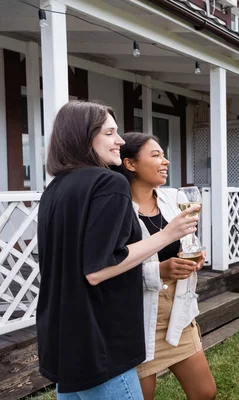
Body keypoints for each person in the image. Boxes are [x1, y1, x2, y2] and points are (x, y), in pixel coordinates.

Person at [36, 101, 200, 399]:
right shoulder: (108, 182)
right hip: (100, 341)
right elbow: (98, 269)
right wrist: (167, 234)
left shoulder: (56, 188)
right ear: (85, 137)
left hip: (63, 341)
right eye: (110, 133)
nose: (120, 141)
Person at [114, 132, 216, 400]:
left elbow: (188, 239)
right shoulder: (117, 209)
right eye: (156, 155)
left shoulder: (172, 198)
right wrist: (158, 271)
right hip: (139, 317)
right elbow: (111, 267)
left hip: (178, 309)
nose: (166, 161)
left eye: (164, 154)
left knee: (205, 392)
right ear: (130, 164)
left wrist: (194, 254)